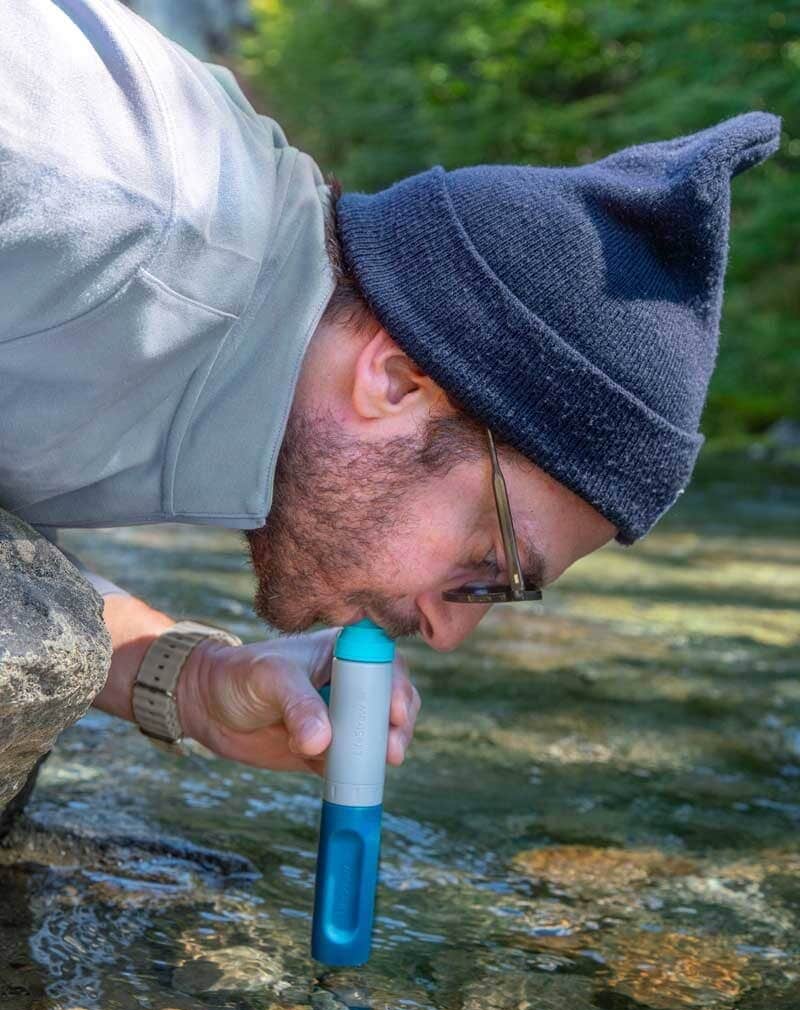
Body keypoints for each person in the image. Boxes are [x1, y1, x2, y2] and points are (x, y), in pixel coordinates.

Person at [0, 0, 781, 798]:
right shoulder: (90, 216)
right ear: (397, 381)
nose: (448, 633)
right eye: (486, 566)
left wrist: (183, 680)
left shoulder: (210, 332)